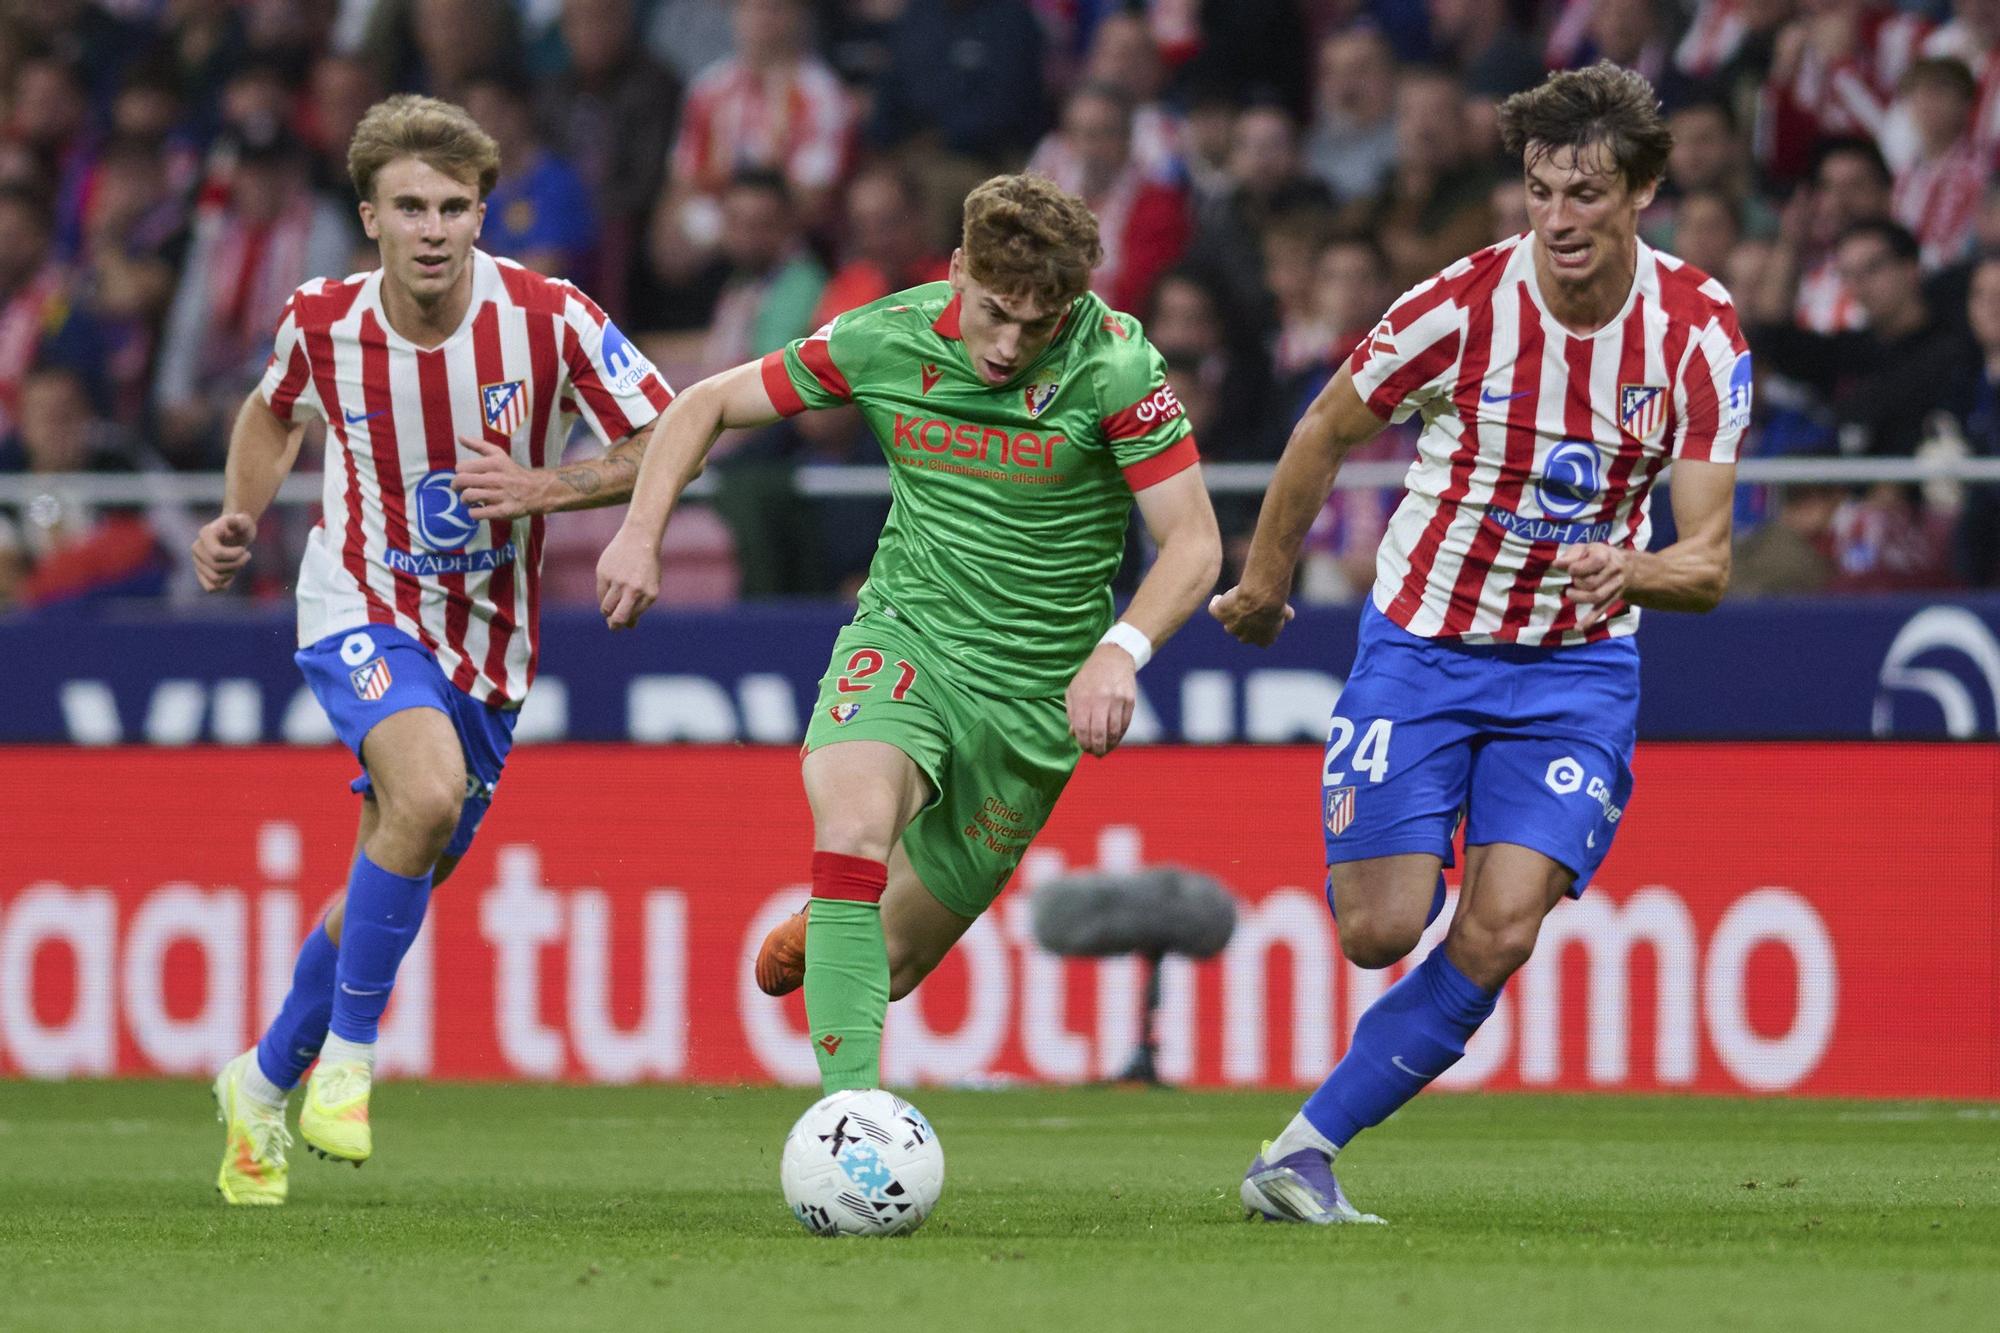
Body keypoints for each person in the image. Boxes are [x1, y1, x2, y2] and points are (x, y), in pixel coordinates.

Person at [1211, 62, 1749, 1224]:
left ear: (1641, 192)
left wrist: (1635, 567)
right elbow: (1321, 431)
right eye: (1540, 191)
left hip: (1577, 666)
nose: (1557, 218)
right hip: (1423, 644)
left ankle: (1300, 1152)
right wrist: (1261, 581)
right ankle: (1400, 832)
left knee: (1500, 928)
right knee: (1379, 929)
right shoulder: (1456, 307)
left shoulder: (1697, 335)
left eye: (1585, 193)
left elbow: (1704, 562)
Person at [595, 173, 1222, 1096]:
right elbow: (706, 404)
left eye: (1038, 324)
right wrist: (641, 532)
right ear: (959, 269)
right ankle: (851, 1127)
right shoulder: (882, 336)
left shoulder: (1114, 364)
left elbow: (1196, 543)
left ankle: (835, 921)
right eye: (995, 312)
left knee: (888, 964)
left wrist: (1118, 649)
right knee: (852, 828)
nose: (1009, 346)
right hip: (907, 637)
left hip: (1034, 703)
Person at [191, 94, 673, 1206]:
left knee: (404, 847)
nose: (433, 228)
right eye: (409, 206)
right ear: (370, 217)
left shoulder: (547, 318)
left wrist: (550, 487)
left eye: (454, 206)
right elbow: (274, 413)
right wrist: (238, 515)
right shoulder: (322, 319)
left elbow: (668, 433)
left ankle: (260, 1083)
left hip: (490, 651)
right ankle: (350, 1062)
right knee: (426, 790)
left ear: (480, 214)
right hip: (358, 602)